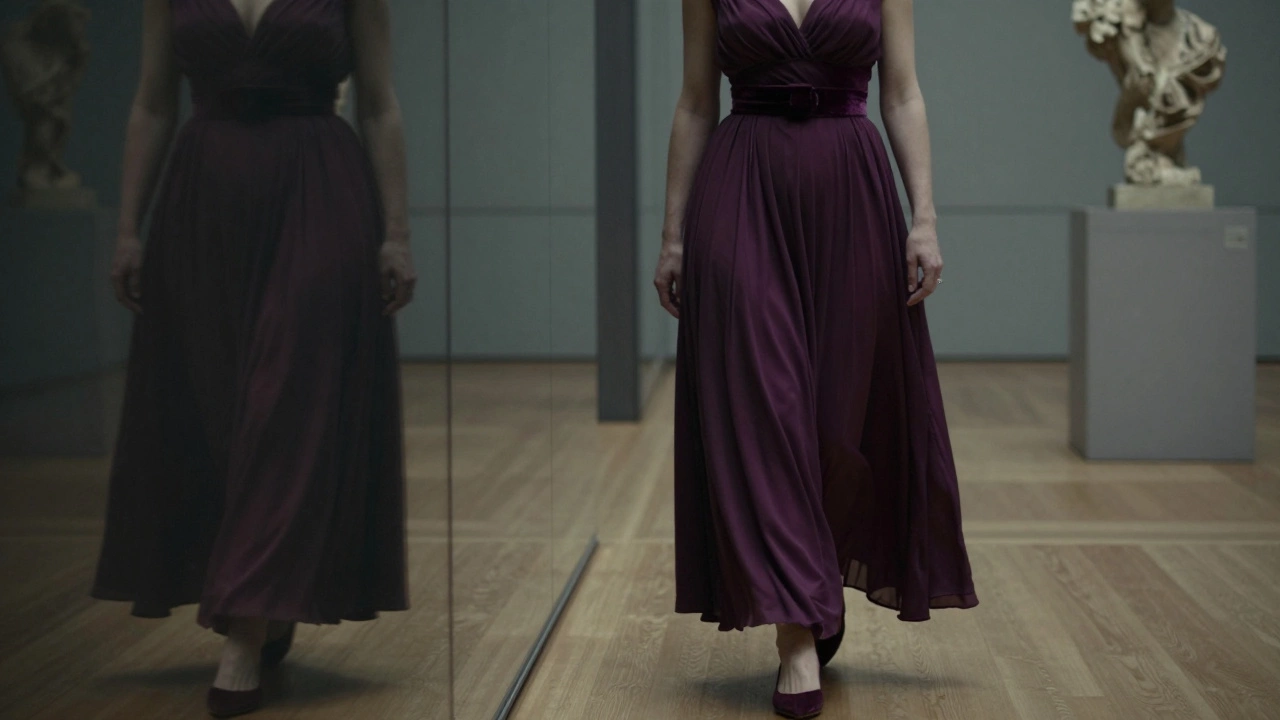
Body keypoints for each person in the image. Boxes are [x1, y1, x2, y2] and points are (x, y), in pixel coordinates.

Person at [92, 0, 415, 716]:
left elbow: (379, 103)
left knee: (288, 401)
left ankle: (241, 634)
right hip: (203, 196)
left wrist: (396, 233)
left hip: (319, 188)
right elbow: (152, 103)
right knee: (219, 414)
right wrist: (127, 229)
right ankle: (271, 592)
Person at [654, 0, 977, 716]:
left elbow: (902, 93)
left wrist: (924, 218)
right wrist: (673, 234)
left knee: (837, 424)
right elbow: (696, 100)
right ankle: (796, 635)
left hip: (851, 191)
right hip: (741, 190)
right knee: (763, 410)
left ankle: (811, 576)